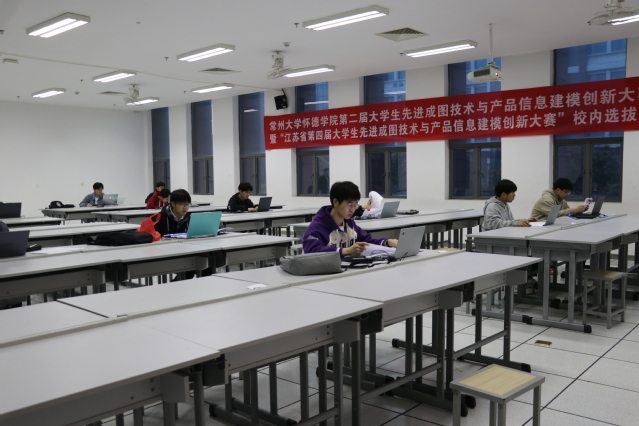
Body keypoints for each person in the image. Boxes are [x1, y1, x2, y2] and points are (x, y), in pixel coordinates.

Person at [303, 181, 398, 255]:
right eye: (349, 205)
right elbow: (312, 251)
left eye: (355, 205)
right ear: (335, 202)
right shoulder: (317, 227)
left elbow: (366, 242)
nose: (352, 210)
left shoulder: (349, 224)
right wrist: (346, 251)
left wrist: (387, 242)